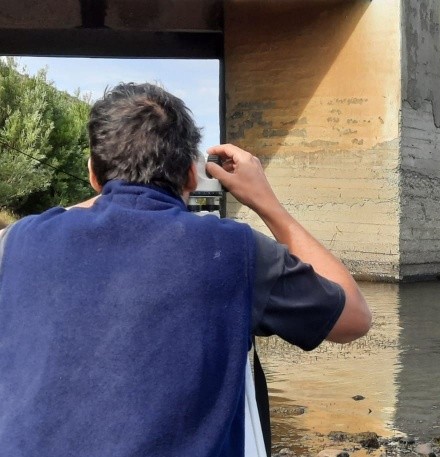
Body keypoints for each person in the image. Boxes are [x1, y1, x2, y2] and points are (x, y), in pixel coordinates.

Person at [0, 83, 371, 456]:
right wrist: (266, 202)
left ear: (93, 174)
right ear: (192, 178)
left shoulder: (14, 244)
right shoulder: (237, 252)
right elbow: (354, 318)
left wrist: (112, 193)